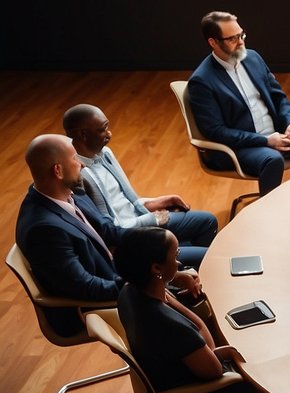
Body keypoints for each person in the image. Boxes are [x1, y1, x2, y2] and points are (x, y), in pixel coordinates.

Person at [114, 228, 290, 393]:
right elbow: (212, 366)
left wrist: (169, 289)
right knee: (275, 367)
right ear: (156, 268)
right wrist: (232, 355)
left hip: (167, 382)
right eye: (175, 255)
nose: (180, 262)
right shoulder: (167, 323)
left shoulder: (131, 292)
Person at [16, 134, 201, 337]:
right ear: (58, 170)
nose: (83, 165)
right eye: (75, 159)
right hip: (94, 306)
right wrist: (157, 281)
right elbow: (83, 286)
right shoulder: (43, 230)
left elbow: (109, 232)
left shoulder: (68, 192)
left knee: (201, 266)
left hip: (120, 273)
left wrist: (161, 255)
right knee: (200, 308)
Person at [187, 11, 290, 196]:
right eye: (232, 39)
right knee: (272, 160)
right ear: (213, 42)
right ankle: (269, 218)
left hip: (276, 135)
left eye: (241, 35)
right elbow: (216, 132)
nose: (241, 42)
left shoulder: (253, 57)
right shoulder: (202, 81)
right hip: (241, 147)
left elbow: (279, 97)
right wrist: (266, 141)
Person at [64, 104, 218, 269]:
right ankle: (177, 271)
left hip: (142, 218)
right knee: (207, 255)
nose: (109, 133)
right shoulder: (78, 176)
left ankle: (185, 272)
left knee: (207, 222)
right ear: (83, 134)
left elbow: (128, 199)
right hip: (130, 237)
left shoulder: (106, 153)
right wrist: (155, 218)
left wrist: (157, 202)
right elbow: (110, 230)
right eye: (103, 129)